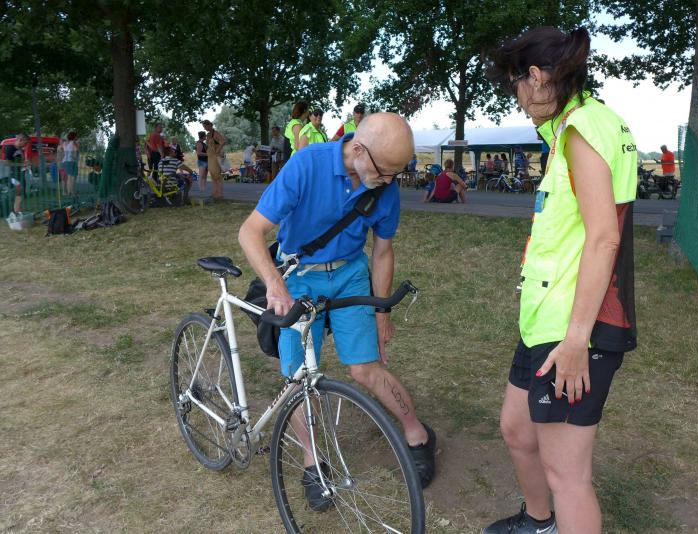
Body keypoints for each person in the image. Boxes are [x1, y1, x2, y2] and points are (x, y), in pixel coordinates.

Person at [238, 112, 437, 509]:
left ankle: (418, 435)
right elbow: (250, 231)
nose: (390, 181)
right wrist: (276, 285)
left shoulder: (384, 182)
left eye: (397, 172)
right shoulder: (306, 165)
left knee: (365, 369)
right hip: (299, 277)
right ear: (358, 150)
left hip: (350, 275)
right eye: (386, 171)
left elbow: (382, 251)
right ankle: (313, 462)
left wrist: (382, 314)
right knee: (299, 378)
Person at [483, 27, 638, 534]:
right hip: (544, 317)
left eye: (515, 85)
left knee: (567, 475)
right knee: (516, 428)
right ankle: (538, 521)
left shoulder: (582, 129)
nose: (517, 98)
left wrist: (575, 341)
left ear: (535, 77)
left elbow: (604, 239)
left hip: (572, 328)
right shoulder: (576, 124)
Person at [202, 119, 226, 200]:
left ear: (209, 125)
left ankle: (219, 194)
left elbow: (223, 141)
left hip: (215, 157)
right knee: (212, 175)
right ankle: (215, 192)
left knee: (217, 175)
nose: (204, 128)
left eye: (205, 126)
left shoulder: (215, 133)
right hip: (210, 157)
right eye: (204, 127)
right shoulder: (208, 134)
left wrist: (218, 150)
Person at [5, 133, 29, 214]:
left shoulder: (21, 149)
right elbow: (7, 163)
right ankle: (16, 211)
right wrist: (22, 164)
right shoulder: (10, 148)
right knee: (19, 191)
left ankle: (17, 210)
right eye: (25, 142)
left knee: (21, 193)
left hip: (20, 173)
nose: (26, 145)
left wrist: (25, 163)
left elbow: (21, 161)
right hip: (13, 174)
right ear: (20, 140)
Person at [61, 132, 79, 196]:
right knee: (71, 177)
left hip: (64, 161)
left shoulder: (64, 143)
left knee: (65, 178)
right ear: (74, 137)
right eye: (76, 136)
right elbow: (75, 152)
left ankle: (64, 192)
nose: (77, 137)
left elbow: (62, 151)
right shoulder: (74, 143)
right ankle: (71, 192)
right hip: (71, 161)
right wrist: (75, 157)